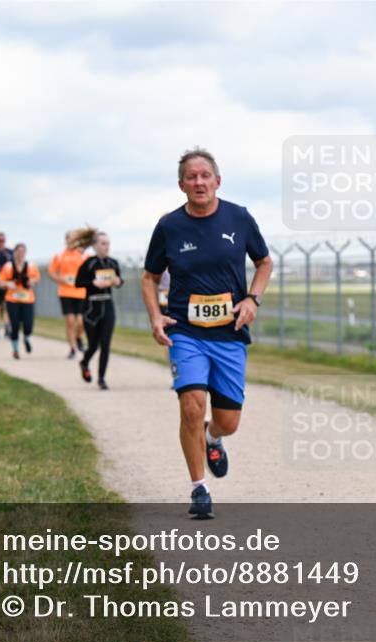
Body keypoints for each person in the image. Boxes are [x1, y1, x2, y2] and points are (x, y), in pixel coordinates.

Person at [142, 147, 273, 520]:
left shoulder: (239, 217)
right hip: (185, 331)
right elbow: (150, 277)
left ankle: (212, 437)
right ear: (181, 184)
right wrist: (156, 317)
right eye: (191, 176)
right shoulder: (169, 226)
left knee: (228, 421)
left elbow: (264, 262)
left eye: (205, 175)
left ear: (217, 180)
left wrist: (253, 300)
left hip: (229, 332)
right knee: (190, 405)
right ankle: (199, 489)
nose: (198, 182)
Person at [72, 229, 122, 389]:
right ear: (95, 245)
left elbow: (120, 281)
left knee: (106, 343)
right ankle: (84, 362)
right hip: (91, 307)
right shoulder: (89, 263)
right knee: (94, 344)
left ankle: (101, 378)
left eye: (108, 244)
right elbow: (78, 283)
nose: (106, 247)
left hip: (107, 305)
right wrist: (93, 283)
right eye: (103, 244)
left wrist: (118, 282)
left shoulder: (113, 263)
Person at [0, 243, 40, 359]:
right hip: (12, 299)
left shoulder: (31, 266)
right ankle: (15, 350)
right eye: (18, 251)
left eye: (23, 251)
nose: (21, 254)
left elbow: (36, 278)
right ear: (14, 252)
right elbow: (0, 283)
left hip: (27, 299)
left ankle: (26, 337)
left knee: (28, 324)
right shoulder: (8, 267)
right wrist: (7, 284)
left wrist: (32, 282)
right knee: (14, 325)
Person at [48, 231, 87, 359]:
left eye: (75, 239)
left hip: (80, 292)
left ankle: (78, 337)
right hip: (65, 292)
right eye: (70, 239)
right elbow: (51, 272)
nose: (73, 241)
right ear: (66, 240)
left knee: (81, 322)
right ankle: (72, 349)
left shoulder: (83, 254)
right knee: (70, 321)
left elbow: (89, 270)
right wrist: (60, 279)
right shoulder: (60, 255)